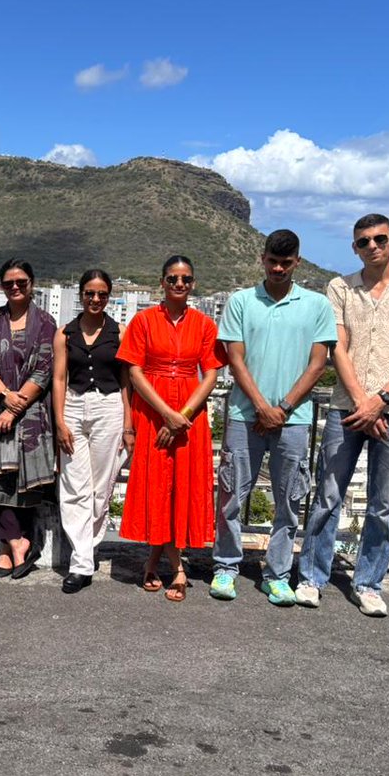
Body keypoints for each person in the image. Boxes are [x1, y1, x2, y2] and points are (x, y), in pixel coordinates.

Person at [297, 214, 389, 617]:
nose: (372, 246)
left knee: (384, 503)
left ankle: (369, 582)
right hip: (348, 407)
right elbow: (337, 348)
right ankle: (312, 576)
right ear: (354, 247)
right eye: (363, 241)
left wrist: (382, 400)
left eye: (379, 239)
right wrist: (364, 402)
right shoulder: (339, 288)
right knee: (327, 495)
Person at [209, 231, 336, 605]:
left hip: (294, 420)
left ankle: (278, 574)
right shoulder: (241, 302)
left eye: (286, 263)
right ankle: (226, 567)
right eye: (272, 262)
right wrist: (263, 406)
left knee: (289, 501)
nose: (278, 269)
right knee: (231, 497)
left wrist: (281, 408)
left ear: (297, 262)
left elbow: (318, 364)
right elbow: (235, 359)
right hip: (243, 415)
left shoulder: (316, 305)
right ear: (262, 259)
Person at [117, 255, 225, 602]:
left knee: (182, 485)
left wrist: (185, 414)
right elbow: (134, 372)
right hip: (152, 410)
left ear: (193, 284)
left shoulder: (205, 325)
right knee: (157, 484)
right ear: (162, 282)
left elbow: (210, 373)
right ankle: (177, 567)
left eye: (186, 279)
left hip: (190, 412)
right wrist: (166, 414)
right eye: (173, 278)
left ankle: (153, 559)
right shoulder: (143, 321)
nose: (179, 284)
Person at [0, 259, 57, 580]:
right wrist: (5, 395)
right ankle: (14, 543)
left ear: (32, 283)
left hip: (29, 416)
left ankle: (13, 545)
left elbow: (44, 370)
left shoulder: (46, 323)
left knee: (20, 484)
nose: (15, 287)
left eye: (21, 282)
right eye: (8, 283)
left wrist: (15, 407)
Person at [52, 269, 133, 594]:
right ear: (81, 295)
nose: (95, 299)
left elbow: (127, 381)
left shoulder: (120, 333)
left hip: (109, 408)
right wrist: (59, 421)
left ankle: (86, 551)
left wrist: (129, 424)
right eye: (89, 293)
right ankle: (82, 563)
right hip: (72, 406)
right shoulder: (65, 334)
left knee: (102, 487)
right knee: (73, 485)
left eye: (101, 294)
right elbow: (59, 378)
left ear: (109, 296)